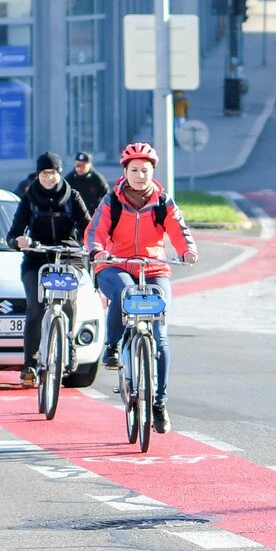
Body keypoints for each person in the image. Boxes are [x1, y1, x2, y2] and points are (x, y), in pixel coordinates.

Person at [89, 142, 199, 434]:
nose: (140, 175)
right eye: (134, 170)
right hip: (115, 264)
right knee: (126, 295)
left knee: (160, 335)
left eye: (145, 170)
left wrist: (187, 250)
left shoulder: (164, 202)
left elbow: (179, 229)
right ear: (125, 171)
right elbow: (95, 231)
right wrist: (98, 251)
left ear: (153, 172)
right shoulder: (111, 201)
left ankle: (159, 402)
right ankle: (112, 346)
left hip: (153, 267)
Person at [8, 152, 94, 386]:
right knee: (35, 306)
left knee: (68, 300)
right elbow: (13, 232)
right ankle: (30, 364)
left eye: (53, 172)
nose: (49, 178)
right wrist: (19, 241)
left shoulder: (72, 196)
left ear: (59, 172)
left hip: (68, 256)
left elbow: (89, 227)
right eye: (44, 173)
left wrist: (93, 245)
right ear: (38, 174)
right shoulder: (29, 199)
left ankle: (69, 345)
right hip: (37, 258)